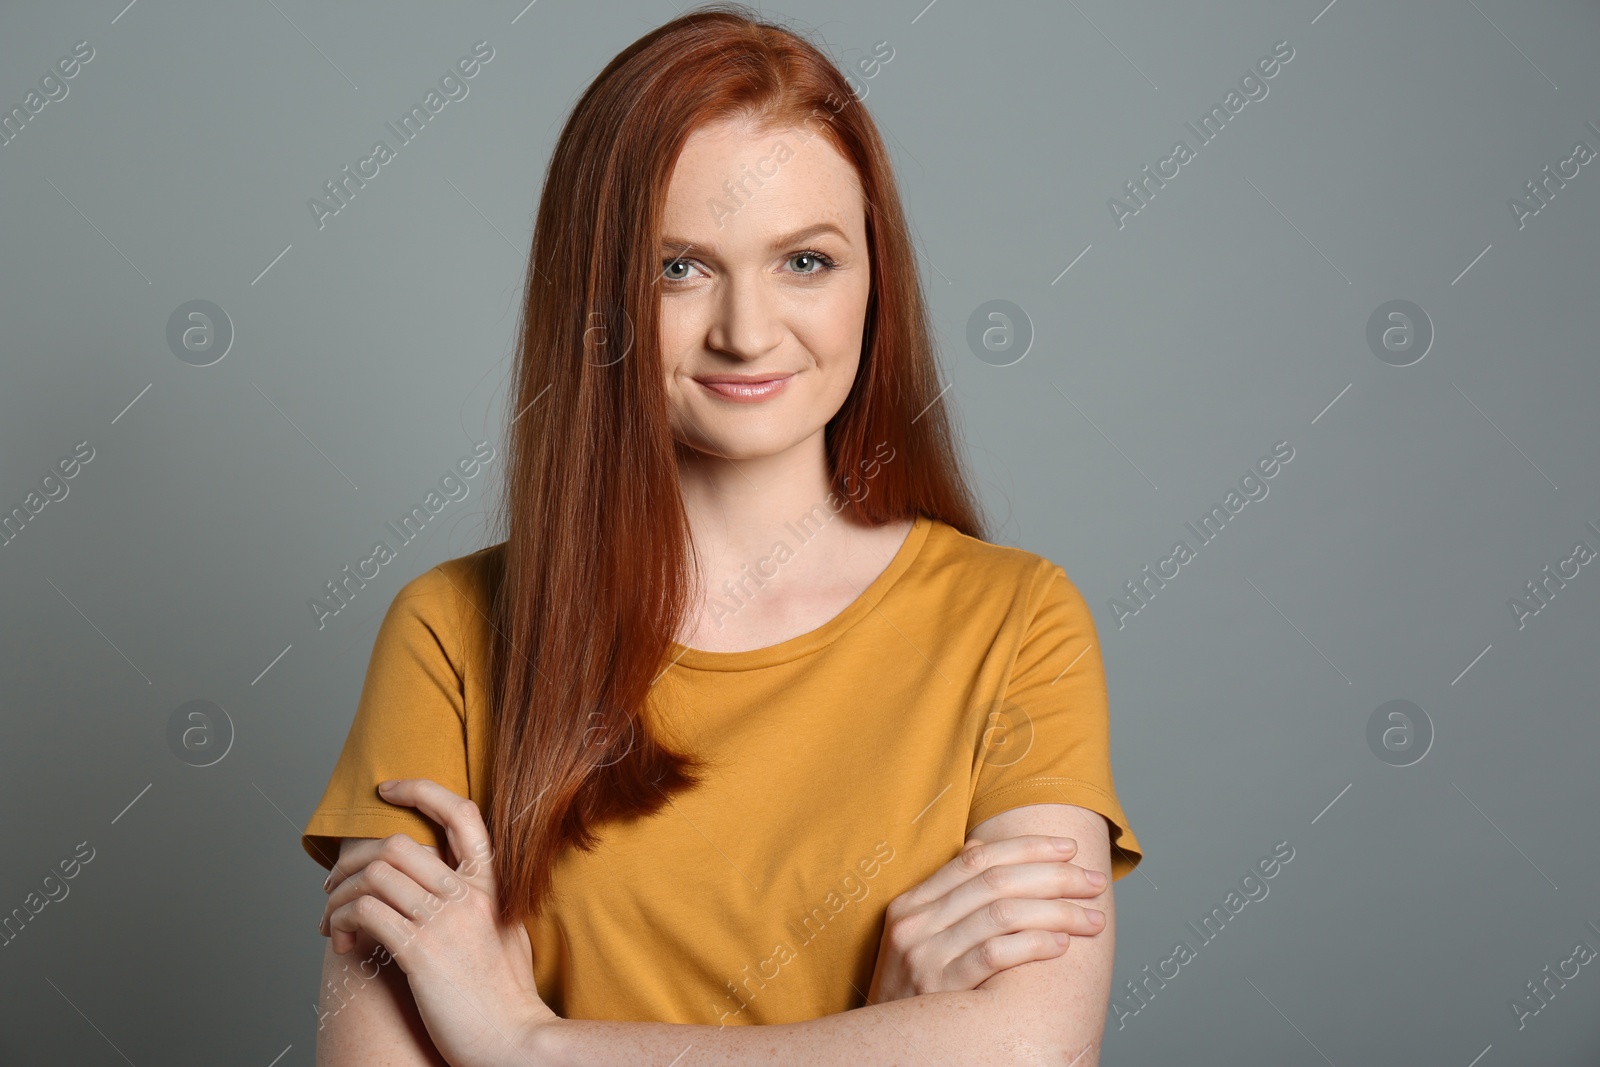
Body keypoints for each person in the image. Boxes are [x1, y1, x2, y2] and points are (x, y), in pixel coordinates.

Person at [299, 4, 1143, 1063]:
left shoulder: (1017, 621)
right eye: (679, 268)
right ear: (596, 301)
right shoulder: (449, 635)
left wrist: (524, 1042)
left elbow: (1027, 1049)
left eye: (805, 261)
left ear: (875, 280)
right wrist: (887, 1037)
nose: (747, 330)